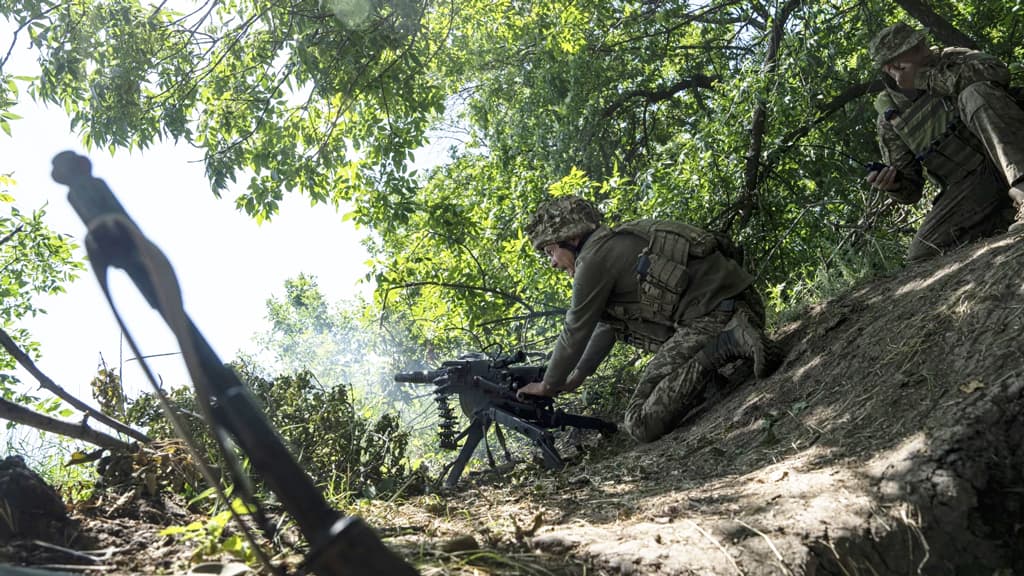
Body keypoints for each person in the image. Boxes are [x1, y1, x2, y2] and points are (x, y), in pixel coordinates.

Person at [516, 196, 783, 443]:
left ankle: (729, 342)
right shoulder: (618, 239)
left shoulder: (592, 261)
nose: (552, 262)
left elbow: (575, 329)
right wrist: (577, 377)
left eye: (551, 251)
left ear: (571, 238)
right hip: (745, 303)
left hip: (714, 318)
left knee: (639, 422)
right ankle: (719, 365)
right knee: (635, 332)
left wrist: (547, 385)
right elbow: (607, 326)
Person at [865, 22, 1024, 262]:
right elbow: (911, 191)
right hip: (974, 182)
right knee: (922, 253)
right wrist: (893, 185)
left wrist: (923, 78)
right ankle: (1005, 214)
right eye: (915, 48)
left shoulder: (953, 57)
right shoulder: (891, 117)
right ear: (892, 67)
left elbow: (997, 71)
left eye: (921, 43)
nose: (925, 49)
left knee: (975, 94)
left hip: (1015, 150)